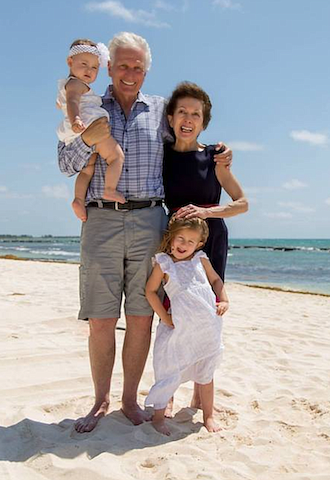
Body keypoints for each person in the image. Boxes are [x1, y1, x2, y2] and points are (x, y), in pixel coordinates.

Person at [58, 32, 233, 434]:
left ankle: (129, 399)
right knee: (101, 319)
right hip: (99, 219)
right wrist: (90, 136)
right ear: (109, 66)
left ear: (147, 69)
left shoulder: (159, 111)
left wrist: (221, 154)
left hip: (150, 221)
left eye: (138, 66)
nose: (130, 73)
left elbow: (190, 141)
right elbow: (66, 163)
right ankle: (101, 400)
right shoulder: (86, 104)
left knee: (141, 317)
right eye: (123, 64)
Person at [162, 81, 249, 414]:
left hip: (211, 241)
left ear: (204, 121)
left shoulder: (215, 156)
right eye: (182, 111)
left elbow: (242, 203)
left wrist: (206, 211)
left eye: (195, 114)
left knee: (206, 314)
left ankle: (201, 393)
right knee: (170, 315)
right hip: (174, 244)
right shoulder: (161, 153)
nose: (188, 118)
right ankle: (167, 391)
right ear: (170, 118)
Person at [145, 216, 229, 435]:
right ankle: (158, 417)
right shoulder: (164, 263)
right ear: (171, 238)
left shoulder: (200, 259)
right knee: (168, 370)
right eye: (180, 238)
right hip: (179, 328)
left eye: (190, 241)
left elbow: (216, 281)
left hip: (206, 327)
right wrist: (164, 317)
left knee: (206, 373)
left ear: (199, 244)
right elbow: (150, 291)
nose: (183, 245)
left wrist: (224, 299)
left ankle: (208, 416)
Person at [56, 38, 125, 222]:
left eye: (94, 67)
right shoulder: (76, 84)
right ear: (70, 62)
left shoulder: (68, 84)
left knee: (88, 169)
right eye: (84, 64)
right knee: (116, 157)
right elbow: (71, 102)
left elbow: (65, 101)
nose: (89, 70)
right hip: (89, 126)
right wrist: (76, 119)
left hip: (80, 130)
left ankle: (79, 199)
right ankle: (109, 189)